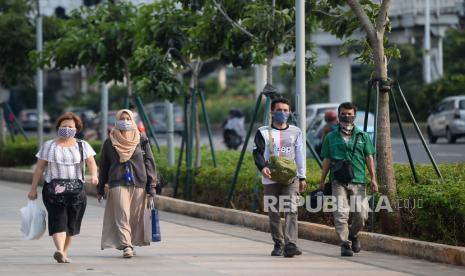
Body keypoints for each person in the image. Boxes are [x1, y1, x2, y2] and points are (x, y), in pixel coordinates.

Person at [28, 112, 98, 263]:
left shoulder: (83, 145)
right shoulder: (49, 145)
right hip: (53, 191)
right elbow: (39, 169)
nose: (66, 128)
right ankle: (59, 250)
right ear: (58, 127)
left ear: (76, 129)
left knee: (71, 224)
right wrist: (33, 189)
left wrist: (94, 175)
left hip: (76, 192)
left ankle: (64, 253)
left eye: (70, 126)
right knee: (58, 220)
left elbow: (91, 162)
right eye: (63, 126)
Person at [319, 102, 378, 257]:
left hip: (358, 180)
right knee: (341, 213)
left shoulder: (363, 136)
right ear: (339, 116)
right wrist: (322, 180)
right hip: (338, 181)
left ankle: (352, 235)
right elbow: (326, 160)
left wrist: (373, 178)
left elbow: (369, 157)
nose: (346, 116)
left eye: (350, 114)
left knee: (361, 216)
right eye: (343, 114)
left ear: (354, 116)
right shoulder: (330, 137)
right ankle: (345, 244)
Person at [97, 109, 158, 258]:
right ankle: (126, 246)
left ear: (133, 121)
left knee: (134, 217)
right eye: (122, 119)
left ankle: (130, 242)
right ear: (116, 121)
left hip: (139, 183)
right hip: (117, 182)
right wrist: (100, 188)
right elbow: (104, 165)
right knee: (122, 214)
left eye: (128, 119)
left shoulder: (141, 140)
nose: (125, 122)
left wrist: (152, 187)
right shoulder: (110, 141)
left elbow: (149, 163)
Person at [253, 98, 306, 258]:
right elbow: (257, 152)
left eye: (285, 110)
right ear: (272, 112)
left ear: (289, 113)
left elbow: (300, 154)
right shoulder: (262, 132)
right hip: (270, 178)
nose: (282, 113)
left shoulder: (296, 132)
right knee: (274, 212)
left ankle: (291, 244)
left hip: (291, 178)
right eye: (279, 110)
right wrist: (262, 168)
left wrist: (302, 177)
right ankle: (278, 244)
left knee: (291, 209)